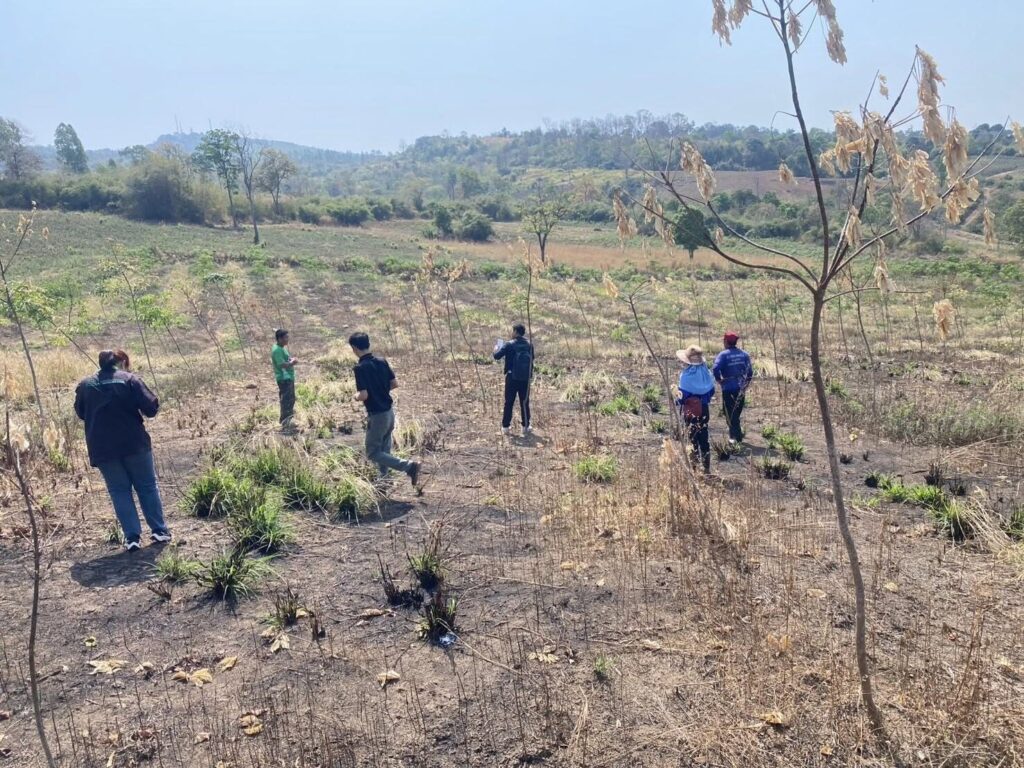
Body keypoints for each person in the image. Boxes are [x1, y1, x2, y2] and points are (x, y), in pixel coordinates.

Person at [74, 350, 170, 551]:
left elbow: (81, 413)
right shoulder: (130, 380)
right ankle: (159, 531)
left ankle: (132, 538)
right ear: (121, 362)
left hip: (102, 448)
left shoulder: (85, 385)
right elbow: (151, 409)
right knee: (147, 486)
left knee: (119, 491)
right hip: (134, 444)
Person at [349, 332, 421, 486]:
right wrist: (380, 390)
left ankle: (409, 466)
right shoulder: (382, 361)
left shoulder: (360, 368)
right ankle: (384, 481)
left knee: (373, 452)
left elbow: (363, 395)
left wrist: (355, 397)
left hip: (377, 415)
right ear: (368, 344)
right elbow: (394, 384)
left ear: (354, 348)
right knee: (384, 450)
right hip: (389, 413)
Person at [676, 345, 715, 473]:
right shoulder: (706, 374)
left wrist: (676, 398)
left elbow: (681, 397)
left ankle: (693, 468)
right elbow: (711, 392)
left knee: (692, 438)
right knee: (703, 437)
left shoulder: (685, 377)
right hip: (704, 409)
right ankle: (706, 468)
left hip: (690, 411)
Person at [493, 323, 533, 437]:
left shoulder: (509, 344)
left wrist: (496, 349)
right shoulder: (529, 345)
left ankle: (505, 427)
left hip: (512, 377)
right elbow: (532, 359)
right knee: (524, 402)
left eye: (513, 331)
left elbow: (497, 356)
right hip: (525, 378)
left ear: (515, 332)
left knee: (509, 402)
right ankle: (525, 426)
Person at [713, 331, 753, 444]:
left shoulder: (723, 355)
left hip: (728, 387)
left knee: (729, 412)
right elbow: (750, 372)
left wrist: (719, 380)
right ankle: (735, 436)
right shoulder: (744, 354)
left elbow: (715, 368)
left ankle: (736, 436)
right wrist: (746, 384)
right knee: (736, 412)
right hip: (740, 388)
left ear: (726, 341)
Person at [271, 329, 298, 430]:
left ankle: (288, 420)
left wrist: (291, 360)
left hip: (288, 377)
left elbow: (285, 359)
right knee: (287, 400)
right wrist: (292, 363)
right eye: (286, 337)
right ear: (279, 339)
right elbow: (281, 364)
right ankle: (285, 421)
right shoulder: (277, 350)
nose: (287, 339)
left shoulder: (281, 348)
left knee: (290, 398)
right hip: (284, 378)